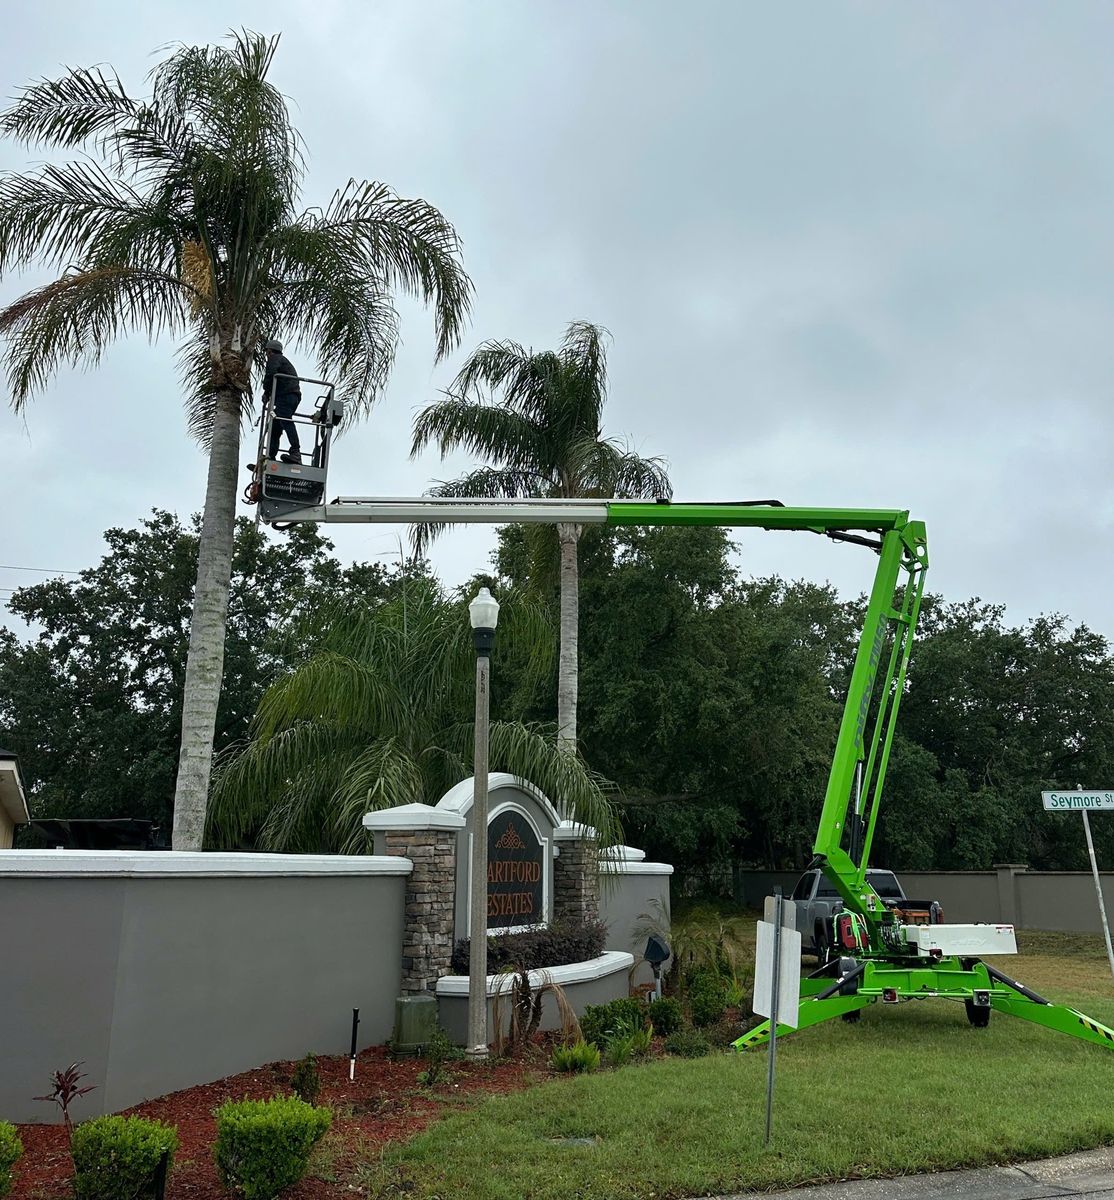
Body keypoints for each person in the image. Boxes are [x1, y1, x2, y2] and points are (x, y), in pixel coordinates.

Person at [263, 338, 303, 463]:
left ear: (269, 351)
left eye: (267, 352)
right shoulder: (283, 361)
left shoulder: (275, 359)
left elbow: (271, 374)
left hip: (286, 396)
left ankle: (296, 452)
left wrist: (266, 392)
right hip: (291, 396)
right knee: (275, 426)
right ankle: (270, 457)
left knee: (285, 420)